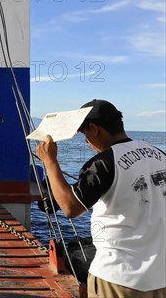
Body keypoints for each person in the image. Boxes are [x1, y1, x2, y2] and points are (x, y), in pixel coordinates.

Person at [36, 99, 166, 298]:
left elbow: (71, 207)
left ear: (95, 129)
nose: (87, 142)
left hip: (119, 278)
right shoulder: (159, 154)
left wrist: (50, 162)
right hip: (160, 277)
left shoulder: (102, 164)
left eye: (85, 135)